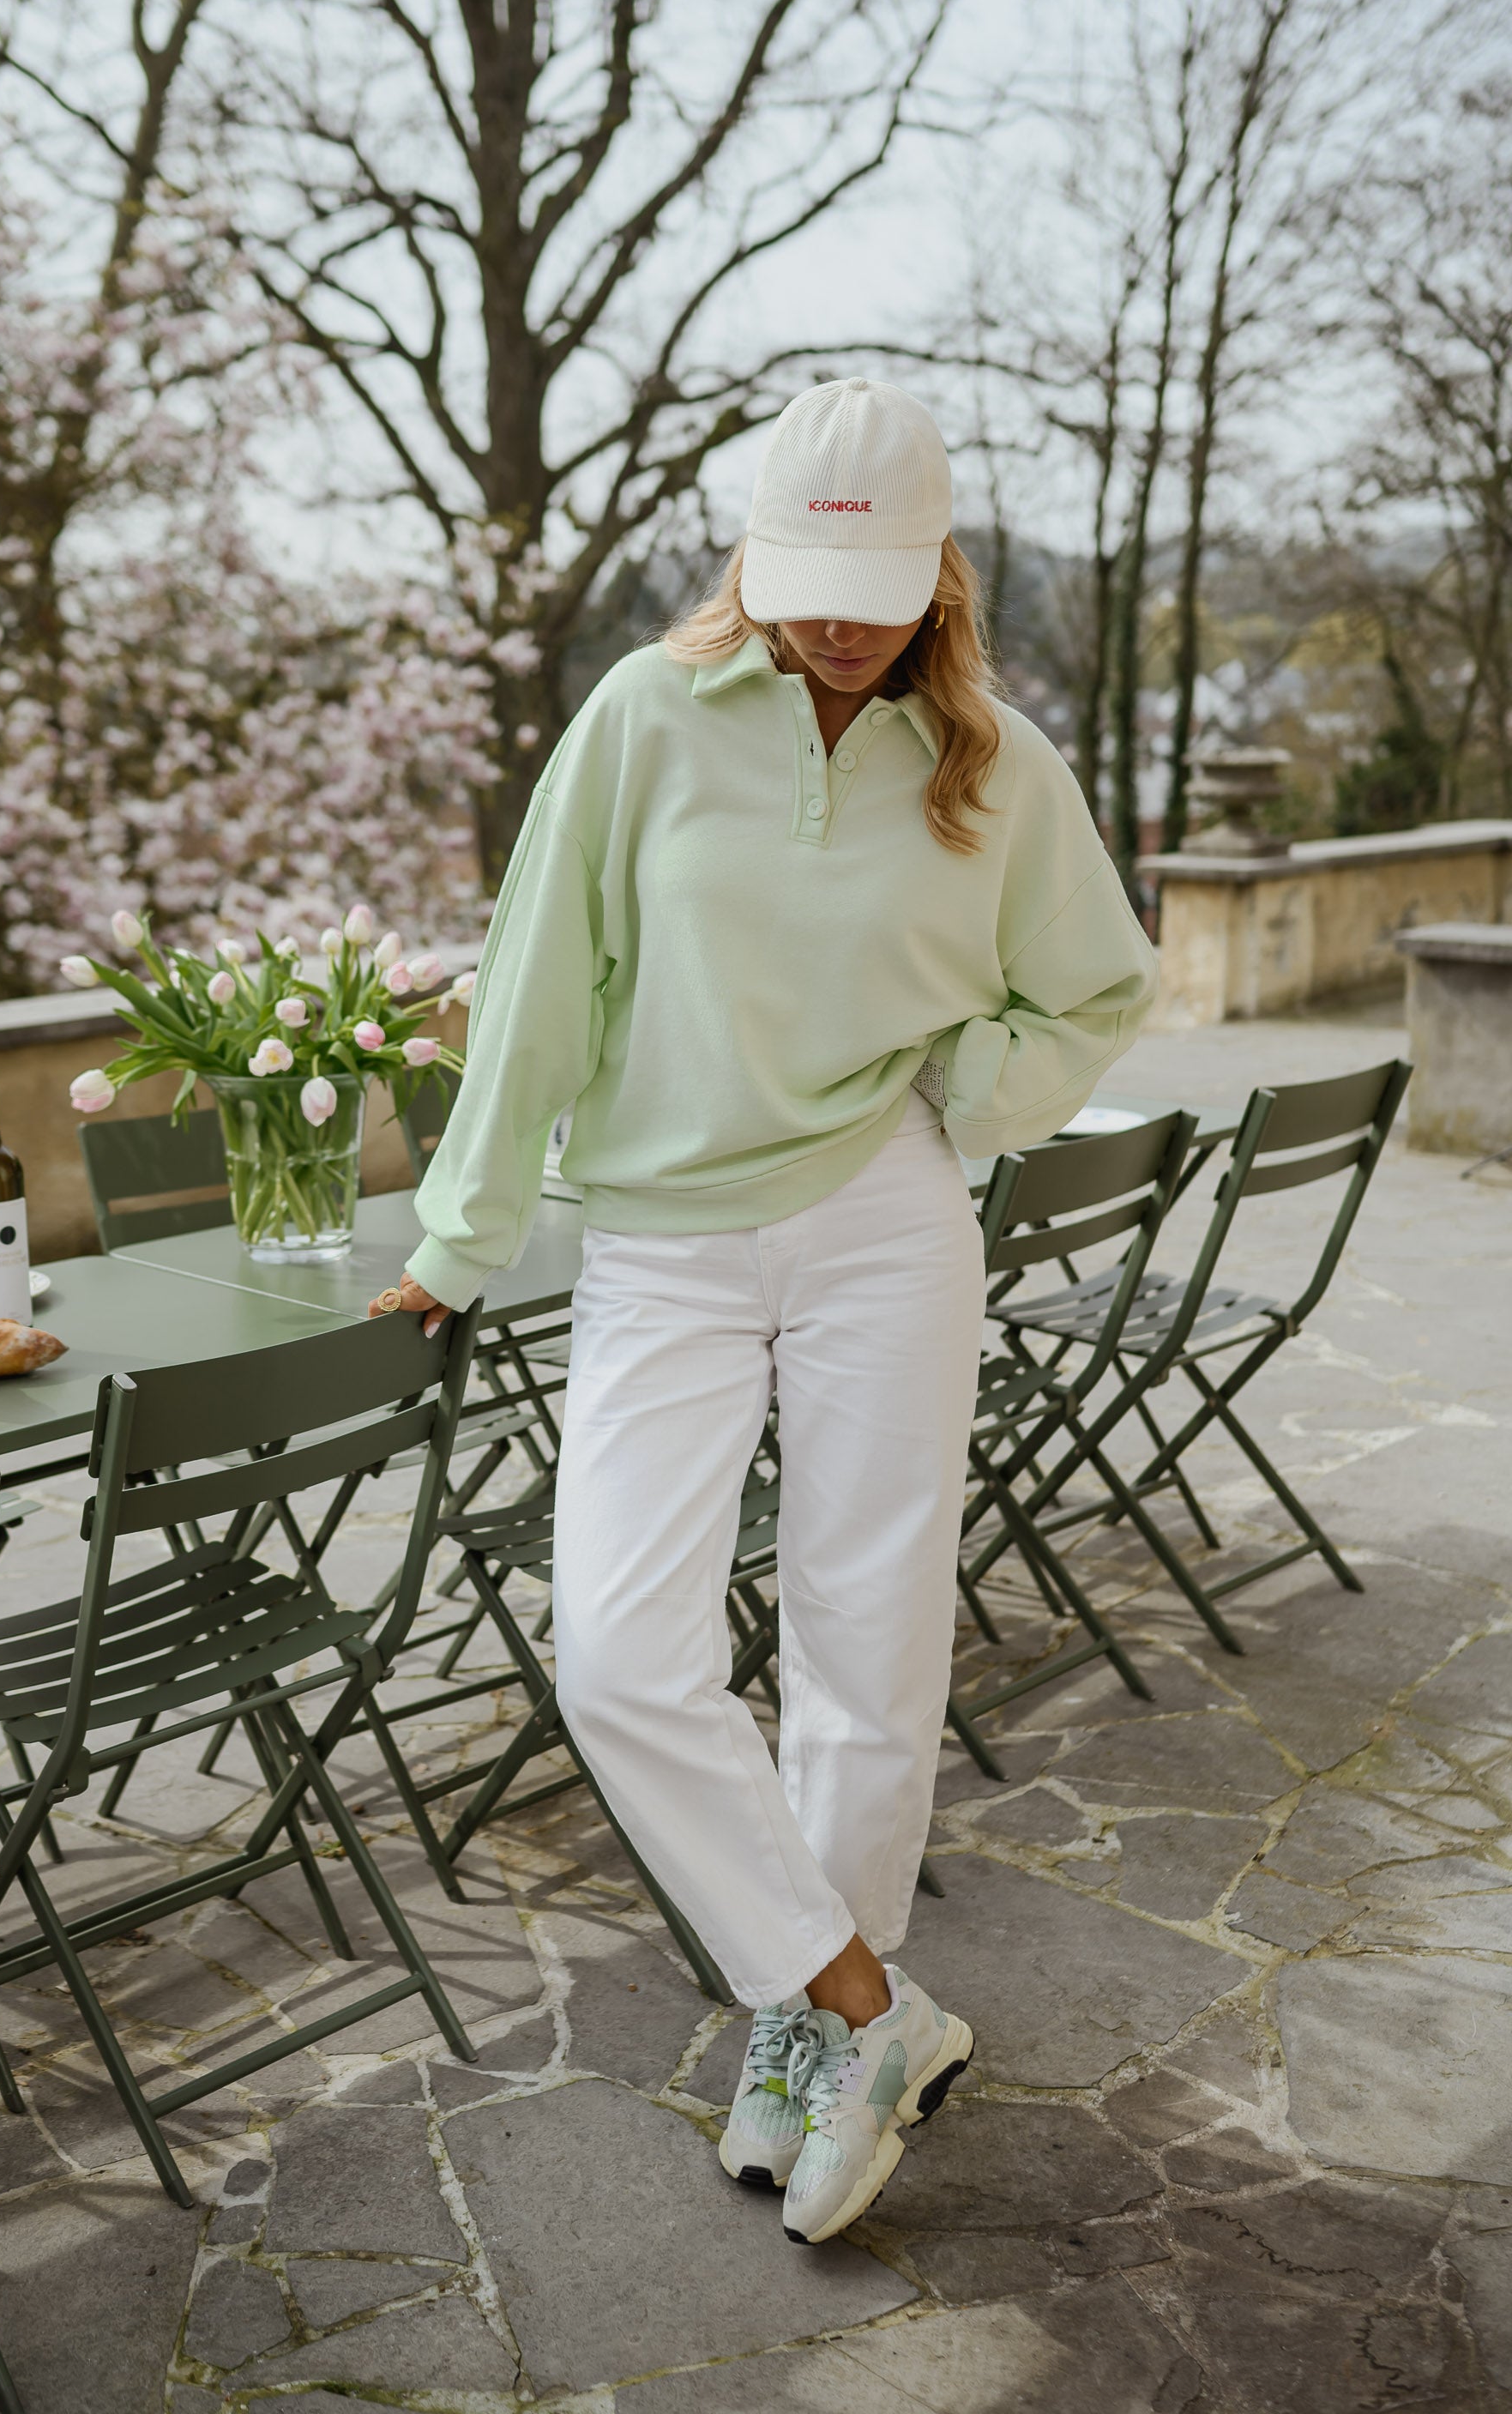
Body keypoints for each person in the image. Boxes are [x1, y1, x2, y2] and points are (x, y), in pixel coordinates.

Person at [369, 378, 1156, 2245]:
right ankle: (863, 2004)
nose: (836, 621)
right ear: (751, 555)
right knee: (622, 1659)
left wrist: (958, 1104)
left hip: (886, 1218)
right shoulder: (644, 718)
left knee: (861, 1645)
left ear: (935, 575)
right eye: (808, 579)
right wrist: (460, 1234)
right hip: (659, 1234)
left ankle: (800, 2051)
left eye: (875, 588)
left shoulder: (991, 763)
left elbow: (1098, 988)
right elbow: (540, 981)